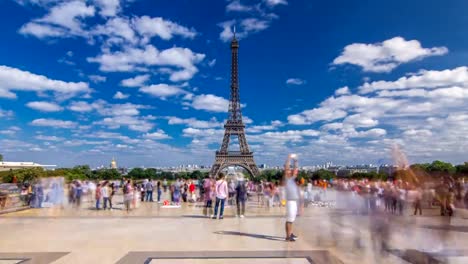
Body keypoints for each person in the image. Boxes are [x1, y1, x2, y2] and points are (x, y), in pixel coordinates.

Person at [284, 154, 300, 242]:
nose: (291, 171)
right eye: (289, 171)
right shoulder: (287, 179)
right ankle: (287, 236)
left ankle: (290, 233)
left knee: (292, 219)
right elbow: (287, 168)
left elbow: (296, 169)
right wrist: (289, 159)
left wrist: (296, 161)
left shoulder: (292, 179)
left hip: (294, 202)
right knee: (289, 219)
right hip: (290, 202)